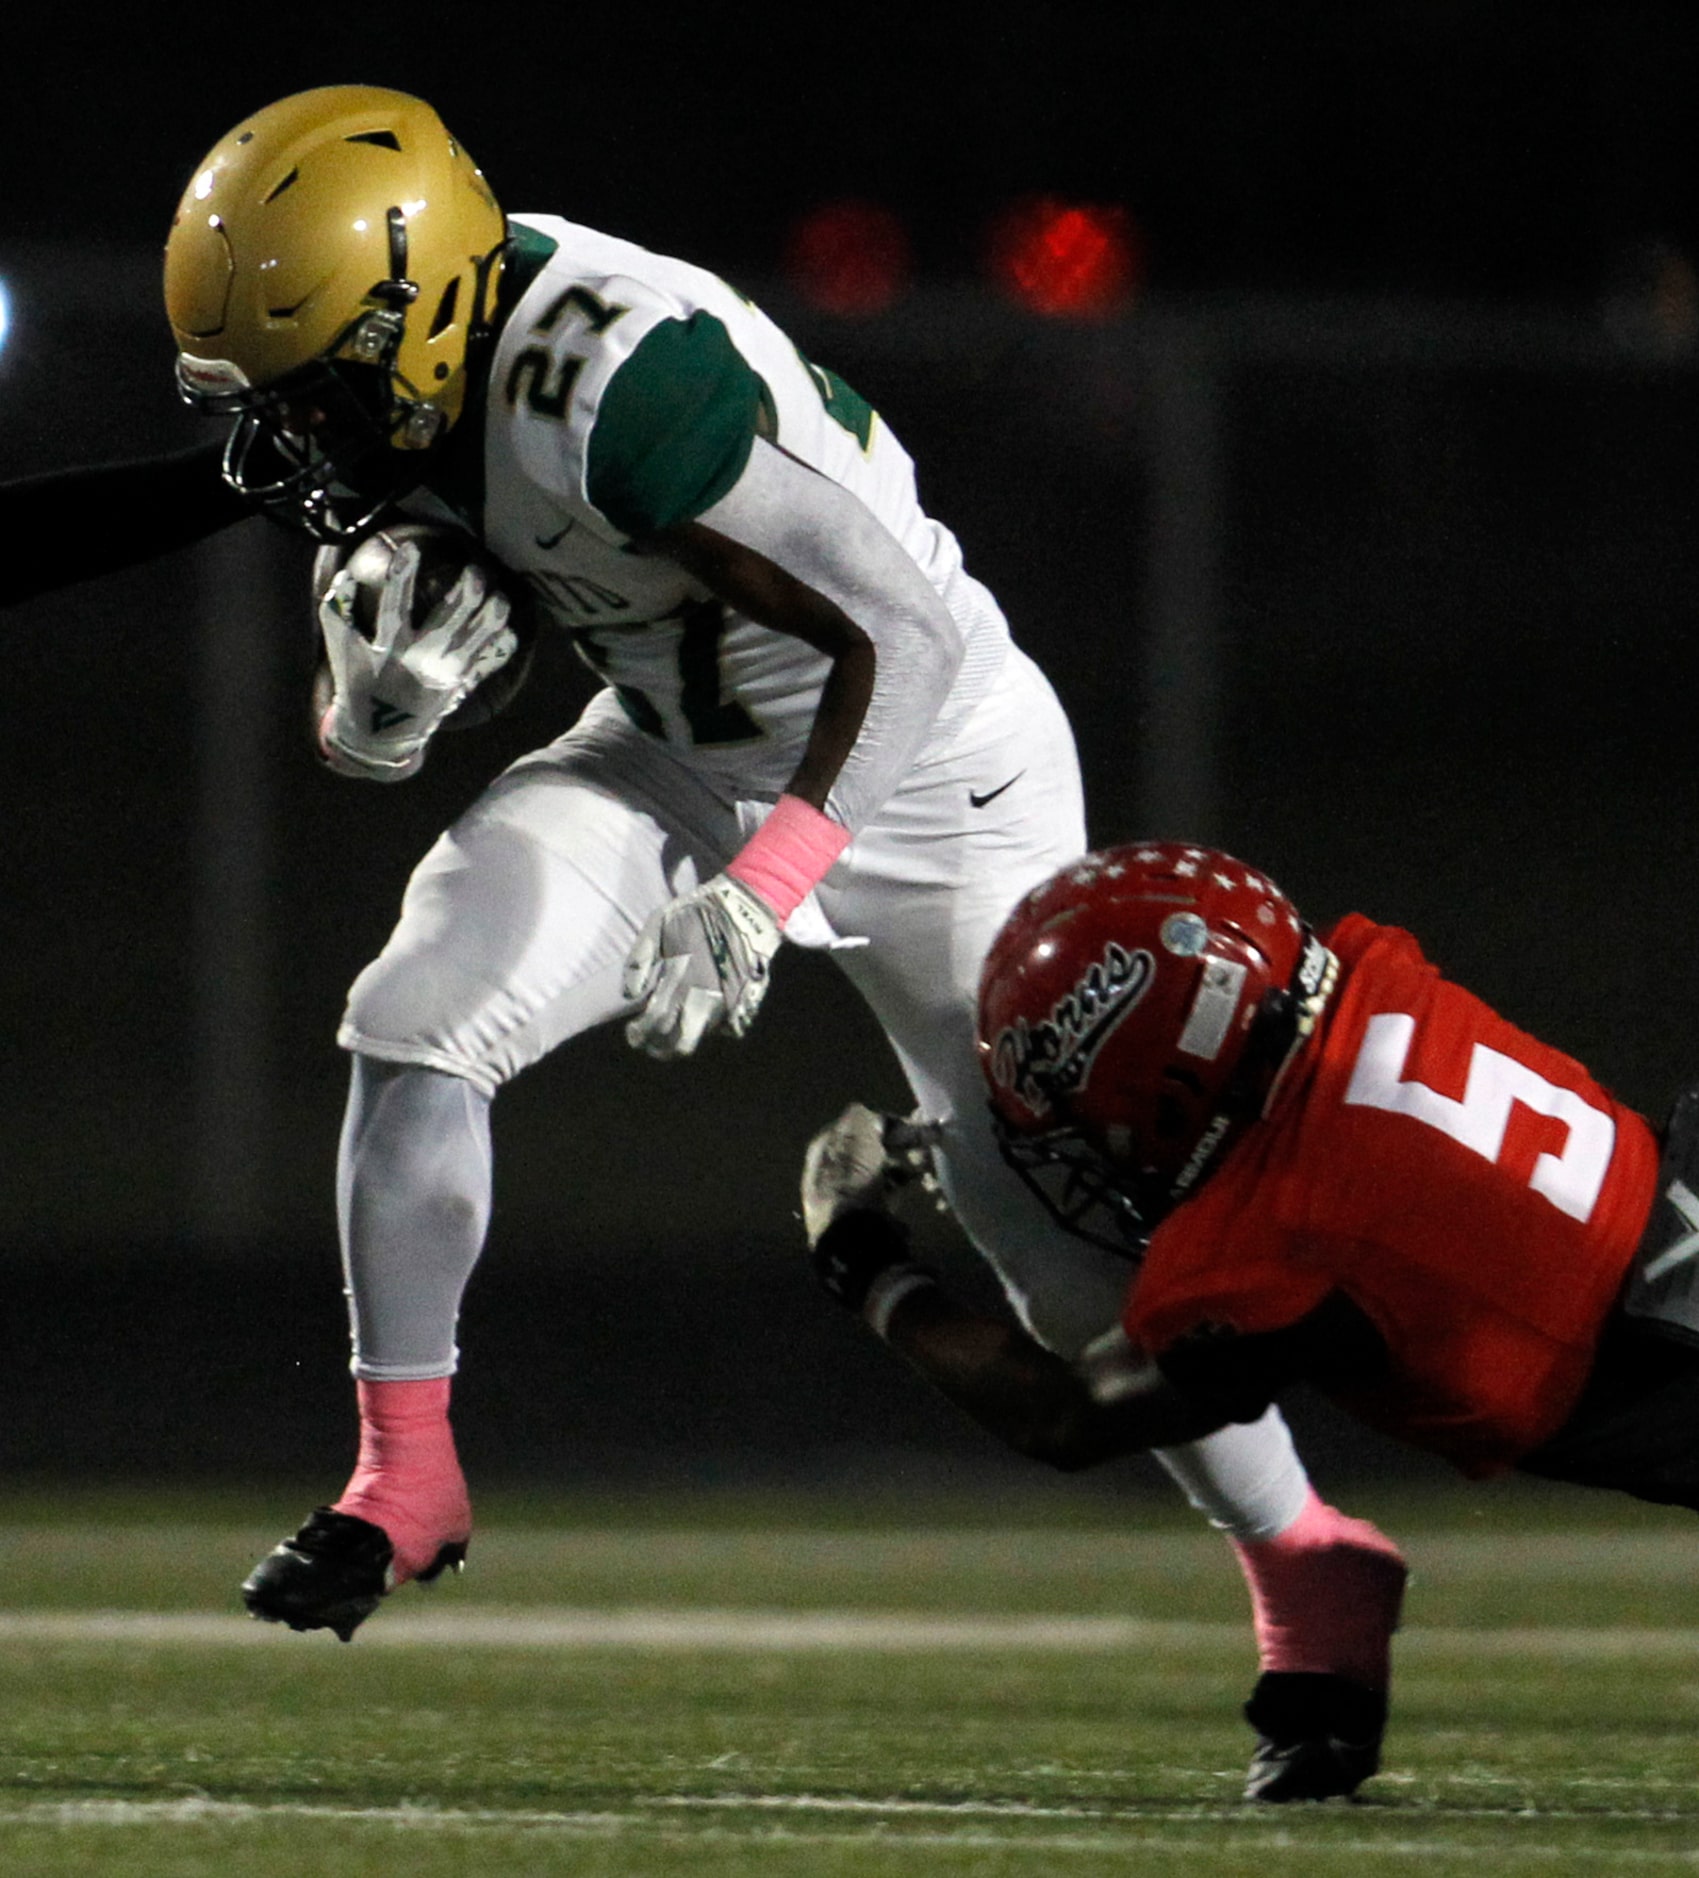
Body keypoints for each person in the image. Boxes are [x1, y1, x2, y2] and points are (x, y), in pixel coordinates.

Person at [1, 88, 1404, 1796]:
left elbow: (896, 629)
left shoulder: (616, 385)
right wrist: (364, 712)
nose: (303, 436)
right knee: (416, 1012)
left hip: (931, 765)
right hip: (671, 740)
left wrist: (762, 885)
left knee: (1047, 1248)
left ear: (420, 307)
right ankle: (403, 1470)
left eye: (319, 391)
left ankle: (1305, 1561)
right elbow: (324, 535)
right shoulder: (402, 364)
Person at [800, 838, 1694, 1801]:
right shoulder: (1372, 975)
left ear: (1164, 1076)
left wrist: (862, 1259)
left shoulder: (1281, 1230)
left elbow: (1062, 1417)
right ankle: (1322, 1697)